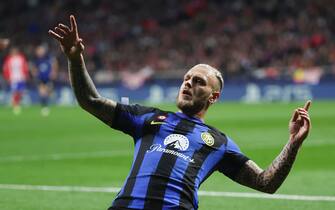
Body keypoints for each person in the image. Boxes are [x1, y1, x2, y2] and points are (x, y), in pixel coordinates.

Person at [49, 15, 312, 210]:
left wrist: (293, 144)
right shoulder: (147, 118)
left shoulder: (218, 142)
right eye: (187, 78)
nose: (188, 83)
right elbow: (90, 100)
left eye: (198, 81)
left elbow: (266, 182)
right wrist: (74, 59)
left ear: (214, 96)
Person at [32, 44, 58, 116]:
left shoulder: (48, 58)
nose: (39, 52)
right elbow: (34, 68)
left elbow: (54, 64)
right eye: (38, 51)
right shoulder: (36, 60)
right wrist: (34, 72)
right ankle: (45, 107)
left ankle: (47, 104)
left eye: (40, 50)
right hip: (40, 78)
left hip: (48, 78)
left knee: (48, 92)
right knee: (42, 93)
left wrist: (54, 72)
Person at [2, 47, 29, 114]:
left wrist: (25, 75)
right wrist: (7, 77)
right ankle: (16, 105)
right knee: (15, 92)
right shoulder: (9, 59)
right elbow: (5, 68)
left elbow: (25, 66)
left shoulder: (21, 58)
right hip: (13, 78)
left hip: (21, 78)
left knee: (20, 92)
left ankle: (18, 103)